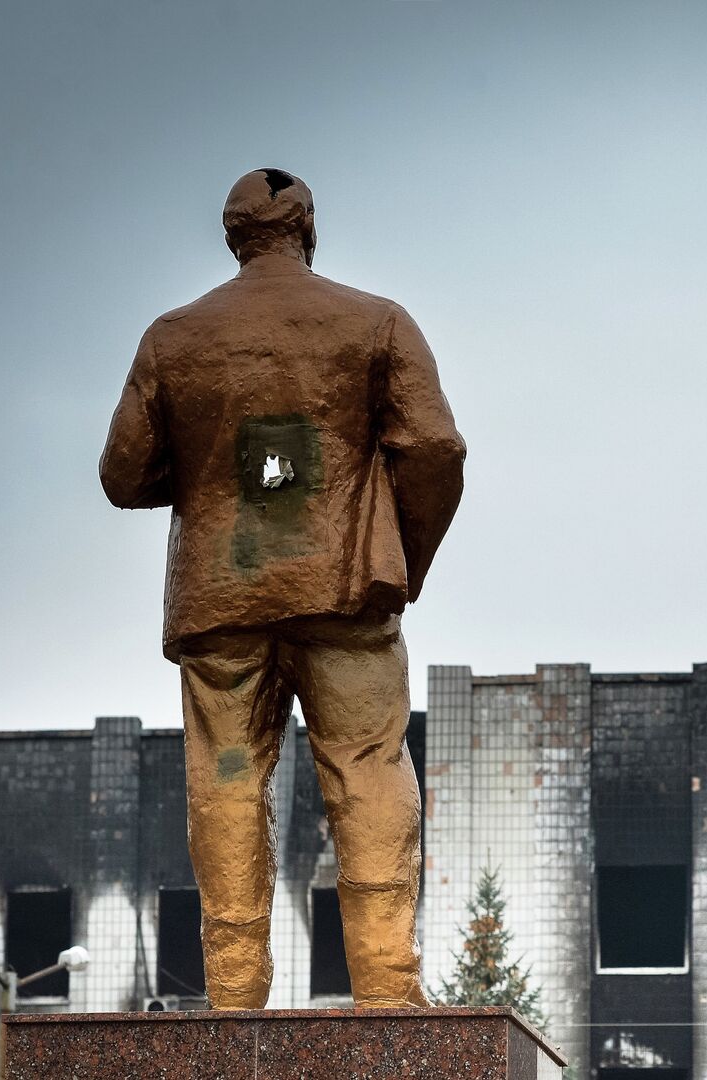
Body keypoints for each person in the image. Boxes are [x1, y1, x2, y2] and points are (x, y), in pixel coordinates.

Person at [99, 167, 465, 1009]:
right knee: (369, 768)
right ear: (308, 228)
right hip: (345, 592)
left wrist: (215, 478)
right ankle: (386, 988)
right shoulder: (376, 323)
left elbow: (123, 474)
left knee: (227, 779)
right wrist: (401, 554)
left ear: (234, 237)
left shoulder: (172, 338)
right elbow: (436, 448)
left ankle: (233, 996)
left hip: (221, 600)